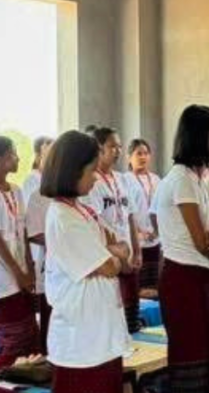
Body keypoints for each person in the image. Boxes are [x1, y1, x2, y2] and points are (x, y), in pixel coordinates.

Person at [17, 130, 131, 393]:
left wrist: (114, 253)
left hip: (101, 333)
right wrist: (113, 254)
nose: (96, 177)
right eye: (89, 170)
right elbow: (109, 264)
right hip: (82, 340)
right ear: (71, 170)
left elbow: (122, 251)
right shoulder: (62, 216)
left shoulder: (82, 209)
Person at [153, 105, 209, 393]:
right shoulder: (181, 178)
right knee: (190, 351)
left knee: (207, 348)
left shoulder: (199, 178)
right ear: (197, 138)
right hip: (183, 277)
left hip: (200, 275)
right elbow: (201, 241)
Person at [0, 136, 40, 369]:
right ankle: (3, 377)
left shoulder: (16, 190)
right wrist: (18, 273)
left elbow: (23, 232)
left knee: (29, 334)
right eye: (12, 154)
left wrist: (29, 267)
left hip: (21, 272)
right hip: (2, 277)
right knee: (12, 337)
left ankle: (24, 381)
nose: (18, 158)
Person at [82, 127, 144, 333]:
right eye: (112, 147)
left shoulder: (122, 178)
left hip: (128, 253)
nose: (117, 151)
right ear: (99, 149)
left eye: (119, 147)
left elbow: (130, 215)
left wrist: (137, 250)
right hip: (110, 255)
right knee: (115, 312)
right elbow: (96, 223)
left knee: (132, 311)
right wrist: (120, 257)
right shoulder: (92, 181)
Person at [23, 136, 54, 350]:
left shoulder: (76, 193)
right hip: (49, 265)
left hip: (74, 270)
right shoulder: (37, 193)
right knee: (50, 325)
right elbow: (32, 232)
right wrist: (61, 243)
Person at [122, 138, 162, 290]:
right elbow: (125, 211)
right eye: (138, 153)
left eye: (146, 153)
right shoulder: (125, 180)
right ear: (129, 157)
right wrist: (138, 232)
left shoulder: (156, 179)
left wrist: (157, 231)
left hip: (156, 241)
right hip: (136, 242)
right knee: (139, 288)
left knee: (155, 287)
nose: (143, 157)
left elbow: (161, 208)